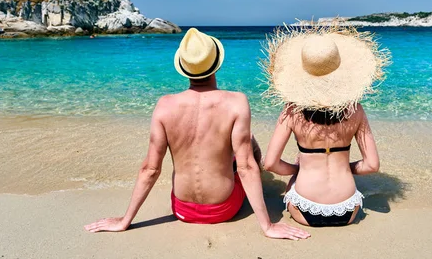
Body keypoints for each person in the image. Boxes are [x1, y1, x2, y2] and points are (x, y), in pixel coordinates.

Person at [84, 28, 310, 240]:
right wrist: (267, 226)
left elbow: (150, 169)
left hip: (181, 210)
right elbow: (246, 167)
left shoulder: (164, 105)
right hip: (225, 209)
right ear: (217, 65)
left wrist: (125, 220)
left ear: (183, 67)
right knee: (247, 143)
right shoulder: (236, 102)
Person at [262, 24, 389, 227]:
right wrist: (343, 167)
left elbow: (270, 164)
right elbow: (372, 165)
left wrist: (298, 168)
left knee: (293, 183)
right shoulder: (355, 110)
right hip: (348, 211)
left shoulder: (291, 111)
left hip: (304, 211)